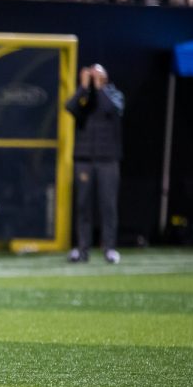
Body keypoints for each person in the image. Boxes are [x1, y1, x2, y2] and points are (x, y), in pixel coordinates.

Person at [65, 64, 124, 264]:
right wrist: (83, 87)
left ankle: (109, 248)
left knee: (108, 206)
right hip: (84, 161)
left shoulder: (113, 94)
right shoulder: (85, 98)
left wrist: (100, 87)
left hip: (108, 161)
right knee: (83, 206)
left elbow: (111, 109)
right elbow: (69, 106)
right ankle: (83, 249)